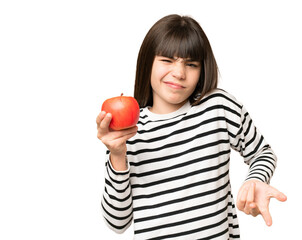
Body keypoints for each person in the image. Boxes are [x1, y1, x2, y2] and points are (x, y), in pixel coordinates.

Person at [96, 14, 287, 239]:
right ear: (148, 62)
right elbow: (117, 223)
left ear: (202, 70)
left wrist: (256, 179)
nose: (179, 72)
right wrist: (118, 155)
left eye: (191, 64)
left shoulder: (219, 108)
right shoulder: (130, 132)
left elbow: (262, 153)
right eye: (167, 60)